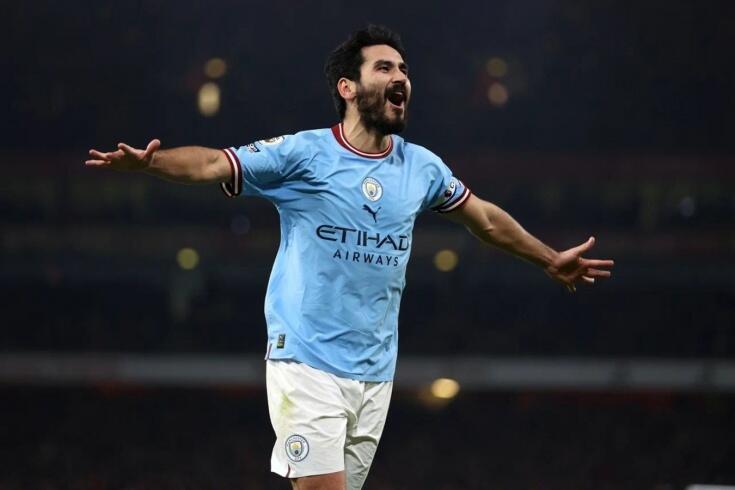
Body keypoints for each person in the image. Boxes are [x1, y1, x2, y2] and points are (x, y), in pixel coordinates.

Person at [86, 25, 613, 490]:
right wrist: (151, 164)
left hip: (375, 374)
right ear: (348, 87)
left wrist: (548, 258)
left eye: (404, 69)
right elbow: (211, 165)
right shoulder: (304, 154)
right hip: (306, 362)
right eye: (384, 67)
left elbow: (486, 220)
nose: (400, 77)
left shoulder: (422, 168)